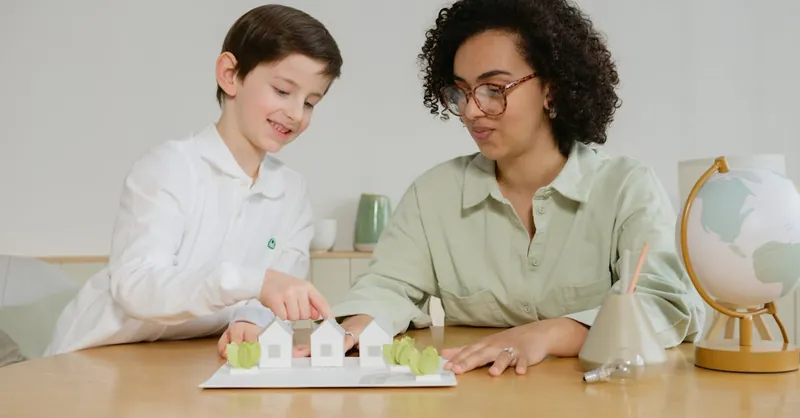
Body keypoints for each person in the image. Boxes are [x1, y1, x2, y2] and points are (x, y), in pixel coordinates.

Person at [222, 0, 706, 374]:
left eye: (495, 89)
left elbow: (663, 304)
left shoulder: (625, 187)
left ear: (552, 87)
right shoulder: (434, 195)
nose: (472, 110)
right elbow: (388, 286)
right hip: (478, 393)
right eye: (461, 91)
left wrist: (548, 335)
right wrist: (354, 330)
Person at [45, 4, 343, 356]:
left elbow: (275, 294)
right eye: (281, 90)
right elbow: (138, 288)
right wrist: (254, 283)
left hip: (186, 358)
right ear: (230, 74)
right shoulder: (169, 168)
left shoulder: (292, 192)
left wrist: (250, 320)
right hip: (96, 355)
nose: (295, 113)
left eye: (310, 103)